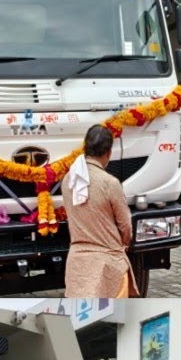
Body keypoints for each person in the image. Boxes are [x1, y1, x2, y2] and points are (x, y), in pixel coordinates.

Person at [62, 125, 137, 298]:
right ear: (109, 153)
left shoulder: (69, 180)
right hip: (108, 264)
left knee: (80, 318)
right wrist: (124, 242)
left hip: (77, 263)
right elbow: (125, 225)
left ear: (85, 148)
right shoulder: (109, 183)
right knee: (112, 318)